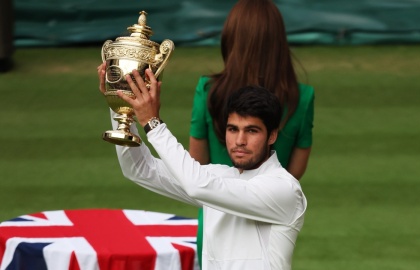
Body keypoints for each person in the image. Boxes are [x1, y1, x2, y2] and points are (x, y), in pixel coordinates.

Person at [98, 67, 307, 269]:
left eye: (252, 131)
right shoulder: (219, 178)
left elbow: (197, 185)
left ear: (272, 136)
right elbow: (139, 168)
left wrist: (153, 125)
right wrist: (121, 103)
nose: (240, 140)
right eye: (233, 129)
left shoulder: (284, 189)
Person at [188, 0, 315, 265]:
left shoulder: (208, 89)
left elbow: (196, 165)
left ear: (231, 39)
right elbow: (294, 172)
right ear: (279, 42)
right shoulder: (301, 98)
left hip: (215, 220)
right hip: (268, 220)